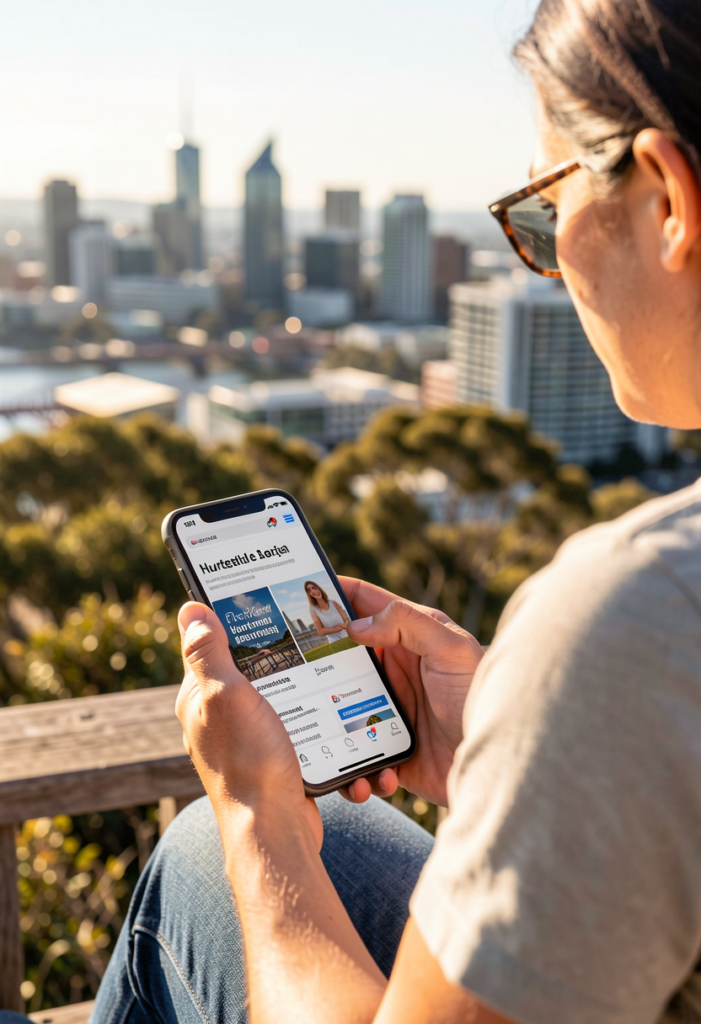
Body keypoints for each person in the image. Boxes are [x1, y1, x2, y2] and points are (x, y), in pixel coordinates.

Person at [6, 2, 693, 1022]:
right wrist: (500, 764)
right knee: (345, 839)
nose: (544, 264)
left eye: (542, 212)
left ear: (668, 199)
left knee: (213, 853)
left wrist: (255, 819)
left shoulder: (641, 611)